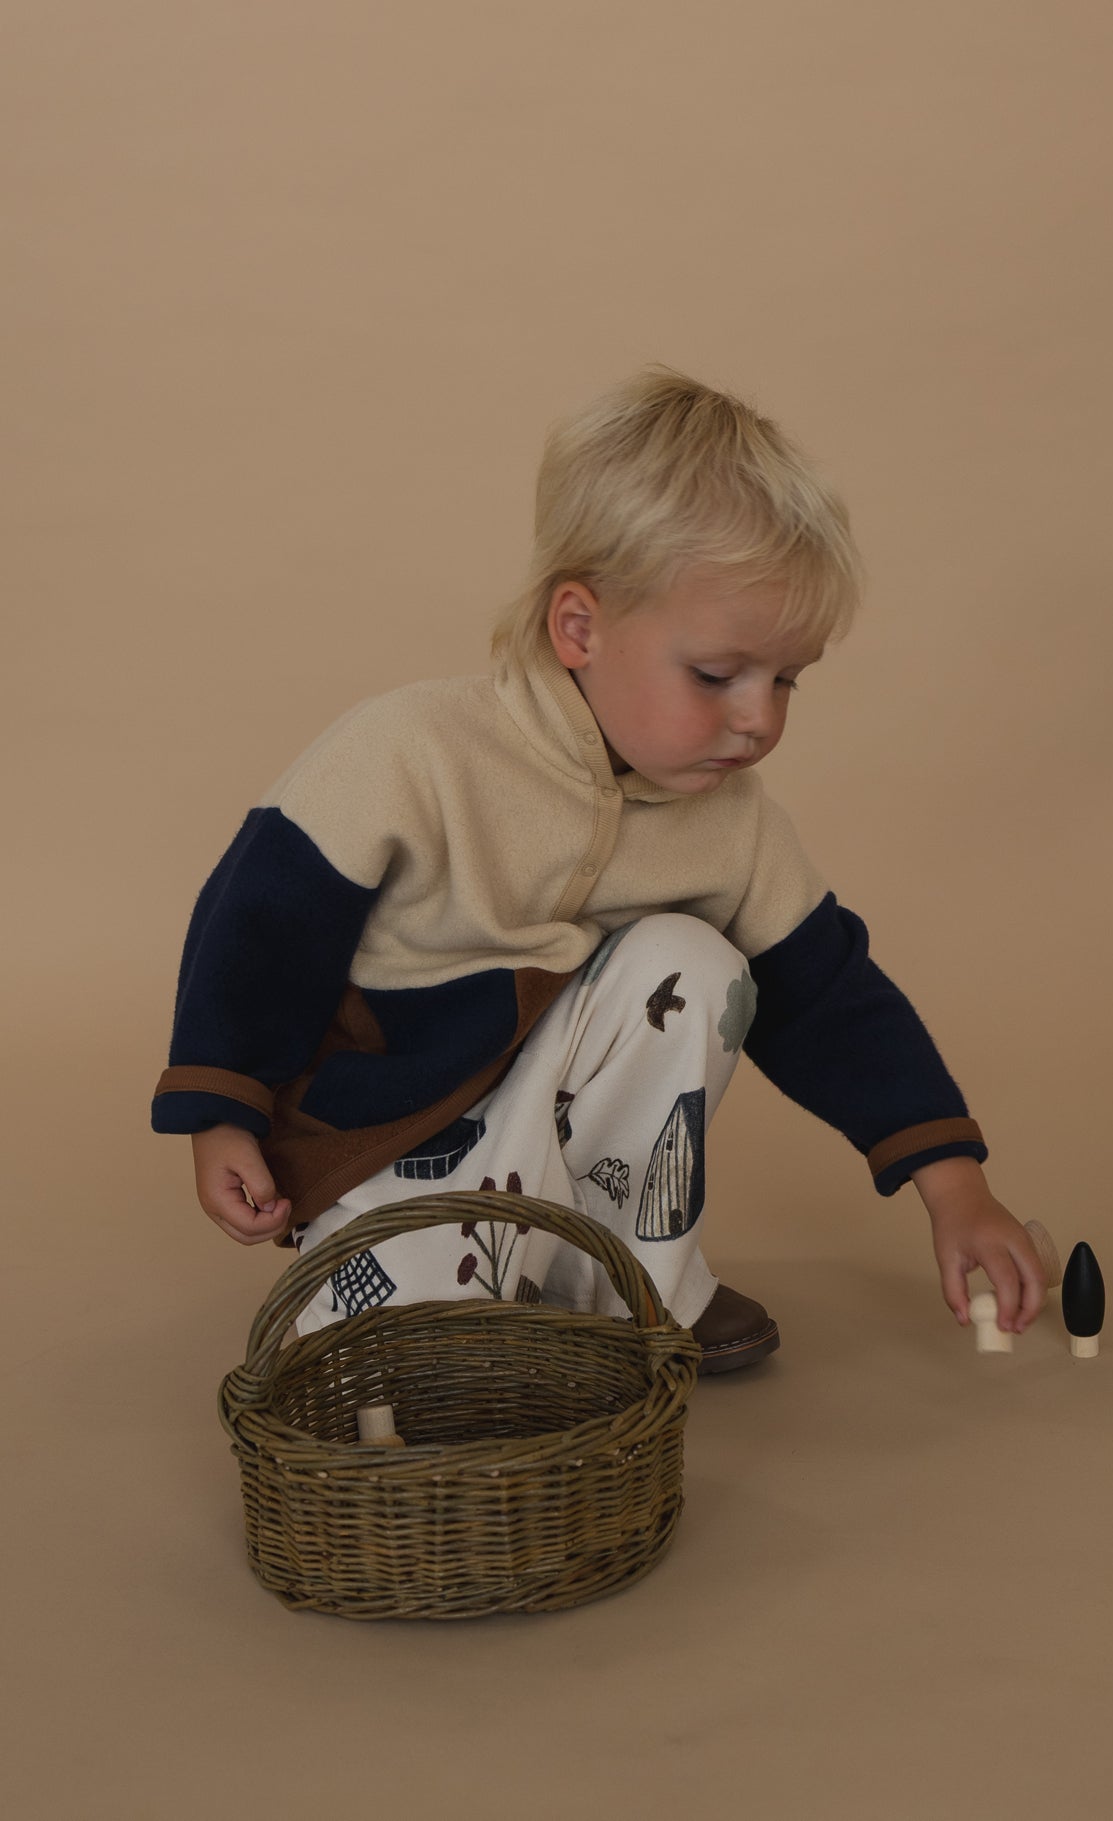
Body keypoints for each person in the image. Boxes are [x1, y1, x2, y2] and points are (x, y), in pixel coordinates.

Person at [152, 366, 1045, 1369]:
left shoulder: (735, 825)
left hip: (565, 1142)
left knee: (692, 963)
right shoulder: (408, 752)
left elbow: (832, 997)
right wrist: (220, 1115)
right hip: (393, 1146)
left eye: (787, 680)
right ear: (579, 628)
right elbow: (258, 932)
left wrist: (953, 1182)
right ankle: (448, 1290)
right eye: (716, 675)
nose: (758, 719)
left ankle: (625, 1284)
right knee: (411, 1366)